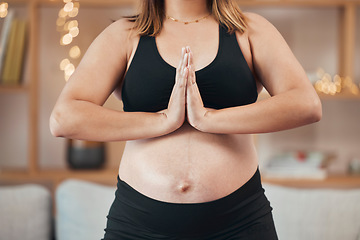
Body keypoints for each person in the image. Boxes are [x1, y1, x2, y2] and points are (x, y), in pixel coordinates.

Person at [50, 0, 322, 239]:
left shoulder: (249, 29)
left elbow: (305, 104)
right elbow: (64, 118)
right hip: (138, 225)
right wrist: (163, 121)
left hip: (240, 223)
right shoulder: (124, 34)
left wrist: (209, 119)